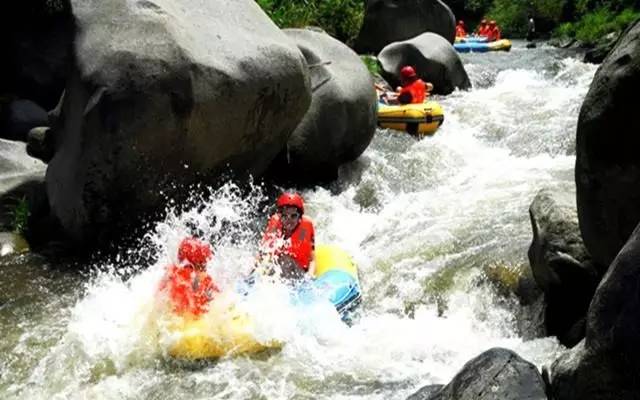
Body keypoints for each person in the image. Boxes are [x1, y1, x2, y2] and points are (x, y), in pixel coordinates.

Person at [258, 192, 315, 280]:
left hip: (299, 272)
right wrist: (249, 275)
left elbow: (312, 259)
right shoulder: (274, 226)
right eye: (285, 216)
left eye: (293, 216)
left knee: (285, 260)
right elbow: (262, 255)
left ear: (299, 217)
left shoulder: (305, 228)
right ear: (280, 216)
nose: (289, 220)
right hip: (278, 269)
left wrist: (310, 276)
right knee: (276, 262)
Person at [157, 237, 219, 317]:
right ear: (196, 266)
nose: (205, 270)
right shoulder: (180, 280)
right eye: (203, 265)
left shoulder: (172, 274)